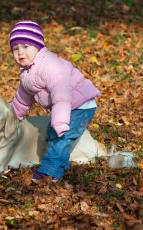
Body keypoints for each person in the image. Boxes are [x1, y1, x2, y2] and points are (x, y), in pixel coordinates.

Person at [9, 20, 101, 183]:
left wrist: (59, 122)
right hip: (66, 108)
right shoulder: (28, 72)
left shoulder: (50, 66)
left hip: (80, 106)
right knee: (53, 136)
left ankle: (50, 173)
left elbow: (62, 95)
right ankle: (60, 165)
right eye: (15, 49)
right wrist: (11, 117)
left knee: (60, 138)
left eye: (25, 47)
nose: (20, 52)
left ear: (38, 46)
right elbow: (22, 99)